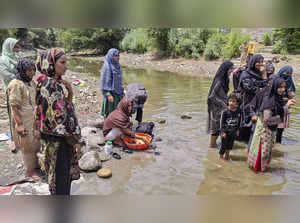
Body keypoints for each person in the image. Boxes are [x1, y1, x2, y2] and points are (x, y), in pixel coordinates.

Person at [35, 48, 81, 195]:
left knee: (54, 175)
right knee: (61, 179)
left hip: (49, 140)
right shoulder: (52, 86)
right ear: (51, 64)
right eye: (62, 62)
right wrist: (75, 140)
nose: (66, 66)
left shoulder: (43, 81)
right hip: (58, 142)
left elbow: (46, 112)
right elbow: (61, 121)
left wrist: (70, 93)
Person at [248, 77, 296, 173]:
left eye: (284, 87)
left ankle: (259, 171)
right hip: (265, 132)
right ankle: (259, 174)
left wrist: (285, 106)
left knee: (265, 152)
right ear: (274, 87)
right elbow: (267, 119)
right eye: (280, 87)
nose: (282, 90)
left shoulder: (275, 97)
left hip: (268, 130)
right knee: (262, 152)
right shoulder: (270, 100)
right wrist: (286, 108)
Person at [6, 58, 40, 180]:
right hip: (24, 119)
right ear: (22, 70)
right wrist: (19, 124)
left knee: (35, 141)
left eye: (33, 70)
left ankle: (35, 165)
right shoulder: (16, 84)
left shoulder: (31, 83)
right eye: (29, 70)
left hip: (33, 119)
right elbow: (14, 106)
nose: (32, 72)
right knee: (27, 145)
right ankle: (30, 171)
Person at [238, 54, 268, 142]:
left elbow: (265, 87)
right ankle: (241, 144)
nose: (261, 64)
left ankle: (249, 143)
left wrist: (264, 75)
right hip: (247, 102)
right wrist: (261, 88)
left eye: (262, 62)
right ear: (253, 62)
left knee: (254, 124)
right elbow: (250, 88)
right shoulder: (245, 73)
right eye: (258, 62)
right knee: (246, 122)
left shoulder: (259, 74)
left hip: (257, 103)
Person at [0, 38, 21, 153]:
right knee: (13, 114)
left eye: (17, 46)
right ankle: (14, 139)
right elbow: (6, 74)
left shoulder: (16, 57)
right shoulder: (2, 60)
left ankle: (22, 137)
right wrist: (19, 76)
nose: (17, 48)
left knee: (21, 112)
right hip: (11, 89)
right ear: (9, 46)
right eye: (15, 46)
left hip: (21, 88)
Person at [207, 61, 234, 148]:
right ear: (226, 69)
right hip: (216, 108)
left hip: (222, 107)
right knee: (215, 129)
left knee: (220, 128)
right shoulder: (219, 81)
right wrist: (223, 103)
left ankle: (214, 146)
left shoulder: (226, 79)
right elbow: (212, 96)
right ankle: (212, 147)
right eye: (230, 69)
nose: (232, 71)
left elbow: (223, 94)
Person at [100, 48, 123, 119]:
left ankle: (116, 127)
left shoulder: (117, 65)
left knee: (118, 113)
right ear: (111, 56)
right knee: (110, 114)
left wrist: (122, 90)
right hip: (111, 95)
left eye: (118, 55)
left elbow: (119, 80)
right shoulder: (107, 67)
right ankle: (108, 128)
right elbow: (104, 82)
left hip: (118, 93)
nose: (118, 57)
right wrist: (108, 94)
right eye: (116, 55)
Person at [276, 66, 296, 143]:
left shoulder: (290, 82)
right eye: (287, 73)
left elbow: (292, 94)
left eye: (290, 73)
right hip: (276, 107)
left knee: (280, 129)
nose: (288, 75)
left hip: (285, 108)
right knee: (273, 128)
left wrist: (289, 93)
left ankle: (278, 143)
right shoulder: (276, 81)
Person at [219, 93, 241, 160]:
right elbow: (222, 122)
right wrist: (222, 132)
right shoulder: (225, 112)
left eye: (233, 101)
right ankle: (221, 157)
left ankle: (227, 156)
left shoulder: (239, 111)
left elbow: (239, 121)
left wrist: (238, 130)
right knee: (223, 146)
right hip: (225, 132)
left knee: (229, 146)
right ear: (228, 101)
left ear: (237, 103)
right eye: (230, 101)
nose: (231, 103)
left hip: (233, 132)